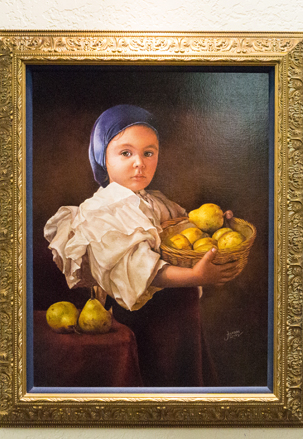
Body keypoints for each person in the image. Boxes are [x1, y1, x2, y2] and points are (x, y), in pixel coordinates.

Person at [44, 105, 234, 387]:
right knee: (156, 382)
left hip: (180, 319)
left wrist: (219, 227)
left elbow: (189, 234)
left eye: (148, 153)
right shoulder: (100, 212)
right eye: (126, 153)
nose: (139, 163)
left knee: (188, 381)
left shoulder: (156, 202)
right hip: (142, 321)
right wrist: (194, 276)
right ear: (103, 158)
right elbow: (138, 268)